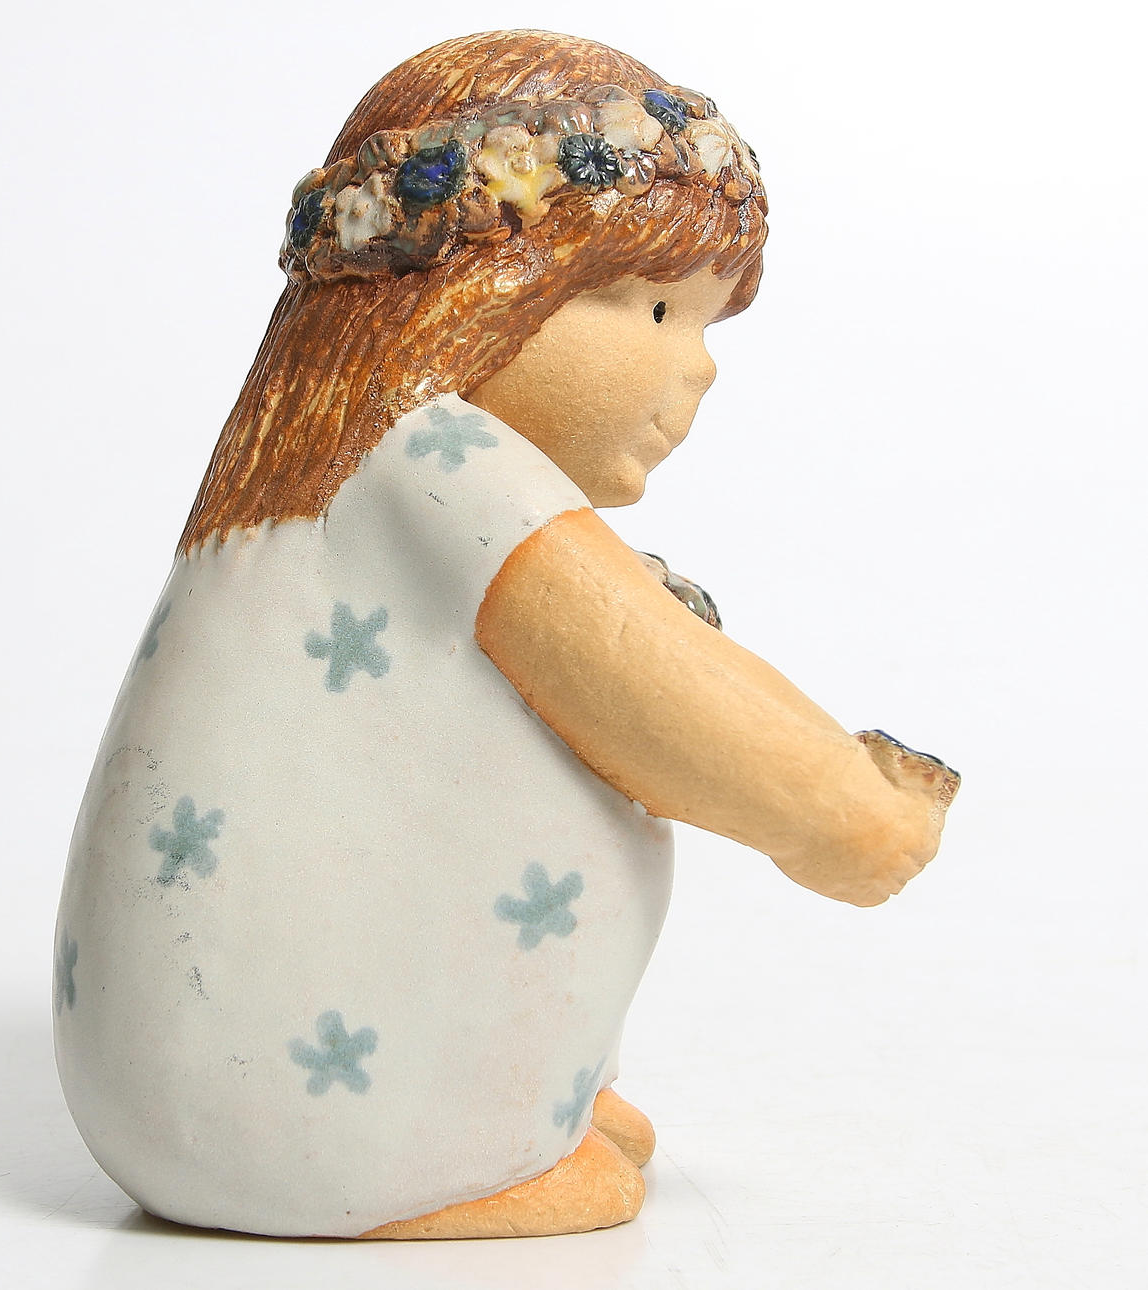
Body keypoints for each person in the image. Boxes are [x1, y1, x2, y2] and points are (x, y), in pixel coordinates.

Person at [54, 29, 958, 1240]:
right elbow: (659, 690)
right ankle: (413, 1161)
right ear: (481, 293)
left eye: (705, 325)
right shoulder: (437, 463)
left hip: (218, 1084)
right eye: (655, 308)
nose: (696, 368)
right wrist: (844, 816)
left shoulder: (333, 477)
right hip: (277, 1110)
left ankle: (511, 1108)